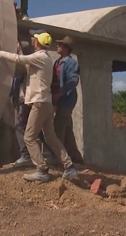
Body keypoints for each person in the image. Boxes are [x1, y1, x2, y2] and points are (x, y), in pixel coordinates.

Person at [0, 32, 78, 182]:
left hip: (39, 103)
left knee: (29, 137)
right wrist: (19, 50)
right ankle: (69, 167)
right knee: (51, 137)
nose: (33, 41)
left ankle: (41, 169)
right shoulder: (46, 59)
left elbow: (19, 60)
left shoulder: (40, 57)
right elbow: (26, 64)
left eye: (35, 40)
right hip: (46, 103)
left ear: (38, 43)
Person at [50, 36, 84, 164]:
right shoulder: (58, 62)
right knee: (67, 129)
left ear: (66, 48)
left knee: (58, 128)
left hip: (67, 99)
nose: (57, 46)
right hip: (60, 99)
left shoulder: (71, 63)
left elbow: (72, 81)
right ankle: (76, 158)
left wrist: (60, 93)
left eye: (60, 45)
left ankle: (59, 159)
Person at [8, 40, 35, 168]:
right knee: (30, 128)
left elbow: (20, 68)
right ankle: (41, 154)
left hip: (24, 99)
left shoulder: (27, 64)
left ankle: (26, 155)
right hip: (19, 98)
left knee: (19, 125)